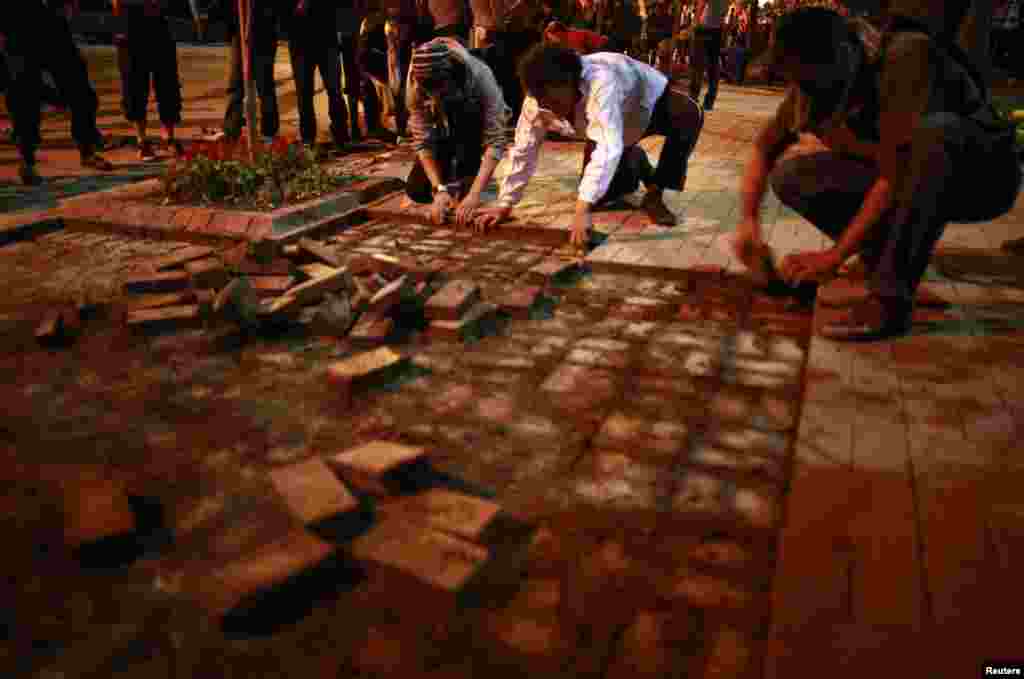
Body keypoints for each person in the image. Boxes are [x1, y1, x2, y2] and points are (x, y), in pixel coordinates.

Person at [732, 6, 1022, 340]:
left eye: (805, 75)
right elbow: (763, 149)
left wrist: (835, 255)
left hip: (983, 178)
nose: (800, 86)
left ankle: (889, 298)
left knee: (933, 135)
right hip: (907, 171)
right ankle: (881, 261)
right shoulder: (818, 80)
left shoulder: (906, 56)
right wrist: (748, 223)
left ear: (839, 57)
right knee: (794, 175)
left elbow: (897, 173)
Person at [474, 43, 704, 245]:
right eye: (545, 103)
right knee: (603, 194)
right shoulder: (536, 101)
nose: (551, 109)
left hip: (649, 106)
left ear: (571, 82)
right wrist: (505, 203)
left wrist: (581, 209)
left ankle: (656, 192)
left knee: (689, 116)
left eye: (555, 101)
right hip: (615, 131)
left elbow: (606, 148)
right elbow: (524, 150)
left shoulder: (602, 81)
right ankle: (636, 159)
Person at [1, 0, 113, 186]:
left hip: (52, 24)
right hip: (16, 27)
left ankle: (87, 150)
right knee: (24, 96)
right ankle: (27, 162)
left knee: (80, 90)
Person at [403, 37, 512, 226]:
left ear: (451, 76)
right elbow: (422, 141)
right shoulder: (416, 83)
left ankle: (468, 170)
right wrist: (439, 190)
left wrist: (474, 194)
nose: (435, 96)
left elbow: (496, 141)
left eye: (440, 90)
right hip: (442, 126)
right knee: (418, 191)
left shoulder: (481, 76)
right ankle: (449, 178)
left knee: (470, 189)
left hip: (469, 112)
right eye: (430, 93)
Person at [112, 0, 200, 161]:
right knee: (134, 84)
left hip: (159, 22)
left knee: (167, 82)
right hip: (129, 23)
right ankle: (141, 140)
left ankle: (169, 137)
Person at [209, 0, 283, 144]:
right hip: (239, 31)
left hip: (263, 32)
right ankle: (231, 129)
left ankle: (269, 132)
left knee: (264, 85)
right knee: (236, 84)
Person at [283, 0, 350, 152]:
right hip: (300, 40)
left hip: (325, 36)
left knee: (334, 90)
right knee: (304, 93)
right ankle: (308, 139)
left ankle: (340, 136)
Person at [338, 0, 369, 143]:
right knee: (351, 80)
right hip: (345, 30)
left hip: (350, 28)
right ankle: (351, 127)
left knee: (352, 79)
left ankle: (354, 127)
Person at [689, 0, 727, 110]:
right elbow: (723, 13)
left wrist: (694, 24)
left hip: (704, 29)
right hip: (717, 30)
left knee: (698, 65)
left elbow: (701, 4)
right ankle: (709, 101)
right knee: (713, 66)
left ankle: (693, 97)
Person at [543, 20, 609, 54]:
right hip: (599, 50)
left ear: (558, 33)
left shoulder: (571, 37)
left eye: (551, 38)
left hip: (604, 48)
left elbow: (581, 53)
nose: (551, 41)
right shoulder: (566, 37)